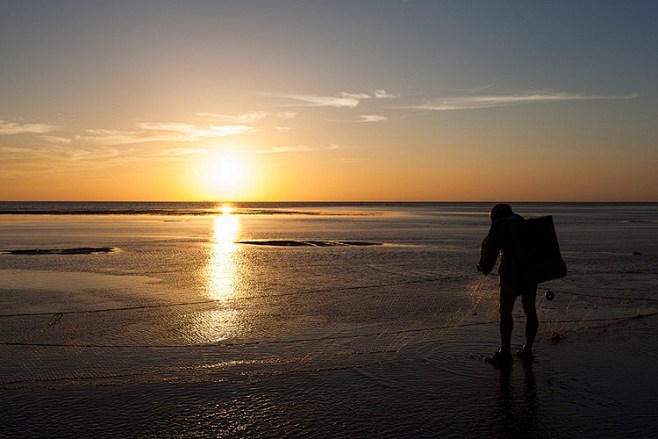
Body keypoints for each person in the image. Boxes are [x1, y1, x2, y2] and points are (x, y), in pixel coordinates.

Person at [477, 203, 538, 367]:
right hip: (531, 272)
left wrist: (484, 267)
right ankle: (528, 350)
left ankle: (505, 352)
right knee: (530, 310)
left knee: (505, 311)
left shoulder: (500, 224)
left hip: (511, 272)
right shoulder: (522, 222)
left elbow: (490, 248)